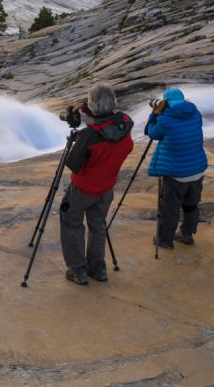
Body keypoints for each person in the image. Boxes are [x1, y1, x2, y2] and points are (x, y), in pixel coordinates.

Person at [60, 83, 134, 285]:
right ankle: (98, 268)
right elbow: (113, 127)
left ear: (93, 108)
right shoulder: (125, 125)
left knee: (71, 222)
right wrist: (84, 107)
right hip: (106, 188)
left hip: (83, 190)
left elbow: (73, 164)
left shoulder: (89, 136)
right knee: (98, 225)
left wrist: (76, 141)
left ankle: (77, 270)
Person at [146, 88, 208, 249]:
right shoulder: (196, 113)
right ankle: (187, 235)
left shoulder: (165, 120)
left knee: (170, 208)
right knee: (191, 204)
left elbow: (151, 132)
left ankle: (165, 240)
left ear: (166, 103)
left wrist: (154, 113)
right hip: (197, 169)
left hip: (176, 174)